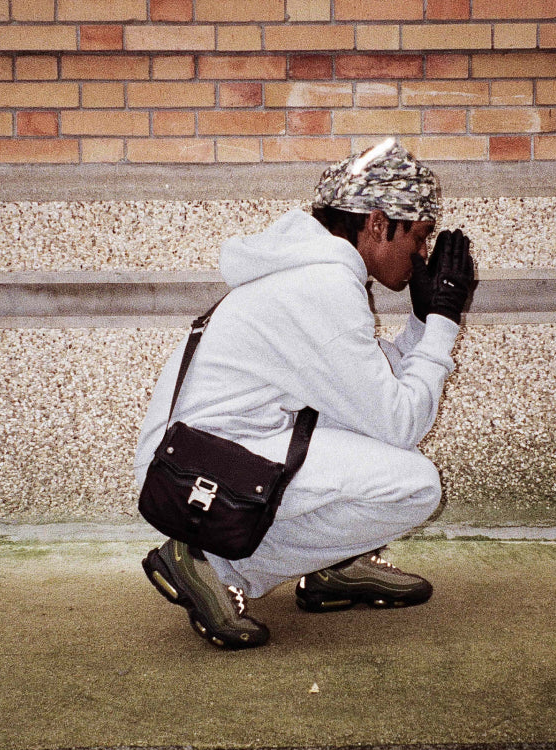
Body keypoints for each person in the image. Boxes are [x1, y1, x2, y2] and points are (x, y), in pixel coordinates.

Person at [134, 138, 476, 649]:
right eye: (420, 237)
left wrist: (421, 323)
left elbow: (366, 389)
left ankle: (329, 566)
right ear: (379, 224)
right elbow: (400, 422)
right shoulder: (322, 285)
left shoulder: (312, 271)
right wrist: (445, 324)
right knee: (416, 484)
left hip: (207, 449)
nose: (422, 256)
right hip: (197, 473)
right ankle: (218, 569)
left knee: (367, 431)